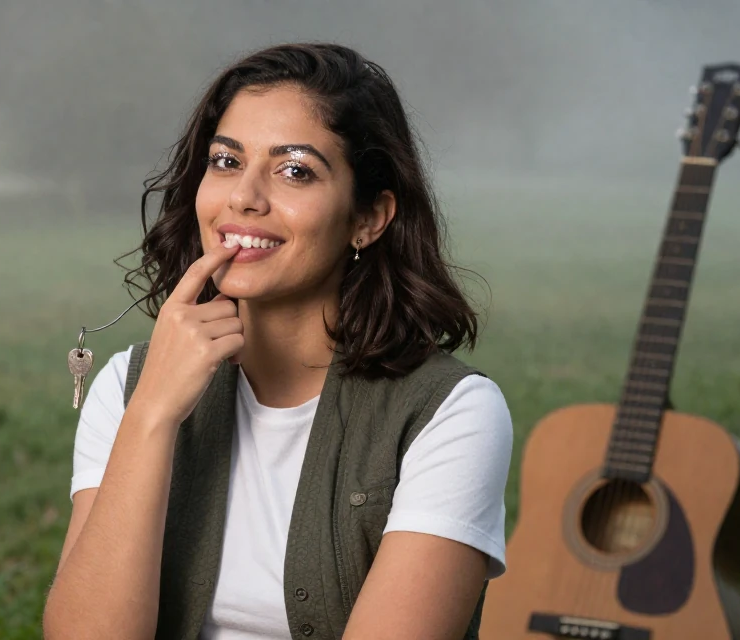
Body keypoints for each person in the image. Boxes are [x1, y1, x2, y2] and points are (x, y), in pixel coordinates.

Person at [43, 42, 513, 640]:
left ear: (369, 217)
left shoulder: (450, 414)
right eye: (226, 161)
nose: (244, 197)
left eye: (295, 170)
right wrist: (153, 416)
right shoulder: (128, 387)